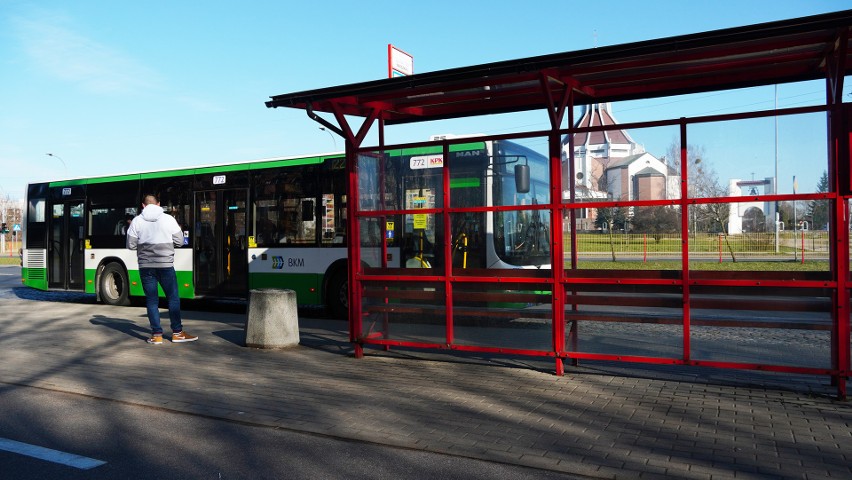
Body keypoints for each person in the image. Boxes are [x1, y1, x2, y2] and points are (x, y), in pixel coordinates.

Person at [127, 194, 198, 345]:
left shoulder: (136, 221)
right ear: (159, 204)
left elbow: (131, 245)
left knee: (152, 300)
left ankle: (156, 335)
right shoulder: (168, 219)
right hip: (165, 265)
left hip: (146, 267)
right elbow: (179, 241)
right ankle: (177, 333)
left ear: (143, 205)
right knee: (173, 298)